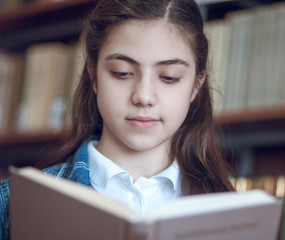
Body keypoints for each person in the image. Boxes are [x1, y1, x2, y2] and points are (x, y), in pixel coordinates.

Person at [0, 0, 235, 238]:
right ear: (93, 75)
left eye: (169, 77)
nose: (143, 96)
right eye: (122, 73)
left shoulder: (232, 213)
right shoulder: (13, 203)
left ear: (196, 84)